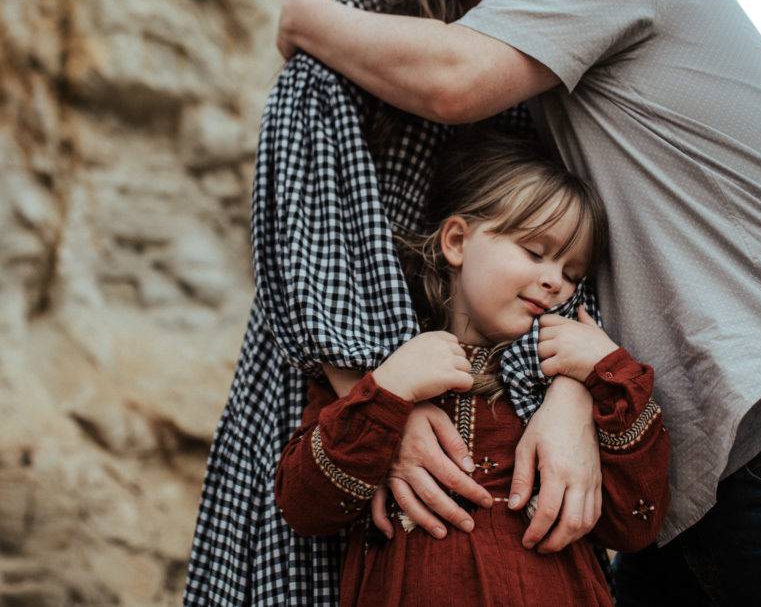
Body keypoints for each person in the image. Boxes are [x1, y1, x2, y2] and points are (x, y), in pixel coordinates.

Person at [275, 0, 761, 603]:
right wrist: (562, 393)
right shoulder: (546, 59)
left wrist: (305, 16)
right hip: (675, 495)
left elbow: (454, 78)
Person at [185, 0, 613, 604]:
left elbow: (578, 254)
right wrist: (383, 401)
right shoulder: (355, 22)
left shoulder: (566, 65)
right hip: (338, 384)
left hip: (507, 396)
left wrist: (571, 396)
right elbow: (305, 232)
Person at [273, 135, 669, 605]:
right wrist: (388, 388)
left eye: (573, 274)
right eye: (535, 251)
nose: (555, 280)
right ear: (458, 241)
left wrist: (608, 370)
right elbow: (303, 506)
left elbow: (636, 523)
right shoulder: (381, 368)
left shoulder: (568, 388)